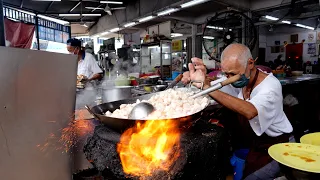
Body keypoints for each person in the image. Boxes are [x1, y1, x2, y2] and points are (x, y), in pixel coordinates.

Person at [182, 43, 293, 180]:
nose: (229, 78)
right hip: (255, 143)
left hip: (277, 145)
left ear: (250, 63)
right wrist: (202, 79)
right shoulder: (241, 79)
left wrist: (207, 87)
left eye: (233, 74)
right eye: (226, 73)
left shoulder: (270, 87)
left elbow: (250, 111)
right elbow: (215, 85)